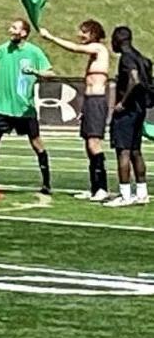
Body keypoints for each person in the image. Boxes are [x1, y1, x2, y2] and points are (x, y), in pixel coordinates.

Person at [0, 19, 53, 198]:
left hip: (24, 108)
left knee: (37, 144)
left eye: (14, 27)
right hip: (3, 106)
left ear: (23, 33)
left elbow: (50, 73)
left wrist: (35, 72)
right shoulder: (4, 48)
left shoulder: (34, 52)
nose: (10, 30)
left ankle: (46, 183)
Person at [40, 20, 110, 202]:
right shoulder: (93, 53)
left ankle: (102, 187)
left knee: (94, 143)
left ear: (93, 34)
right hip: (89, 102)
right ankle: (94, 187)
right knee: (88, 144)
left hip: (96, 101)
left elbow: (74, 48)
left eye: (84, 32)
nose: (80, 35)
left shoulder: (99, 49)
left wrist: (50, 37)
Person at [105, 25, 151, 208]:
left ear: (118, 40)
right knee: (135, 151)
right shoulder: (141, 57)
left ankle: (125, 194)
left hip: (127, 111)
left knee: (122, 151)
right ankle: (142, 193)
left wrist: (122, 103)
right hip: (139, 110)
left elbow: (134, 79)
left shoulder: (126, 58)